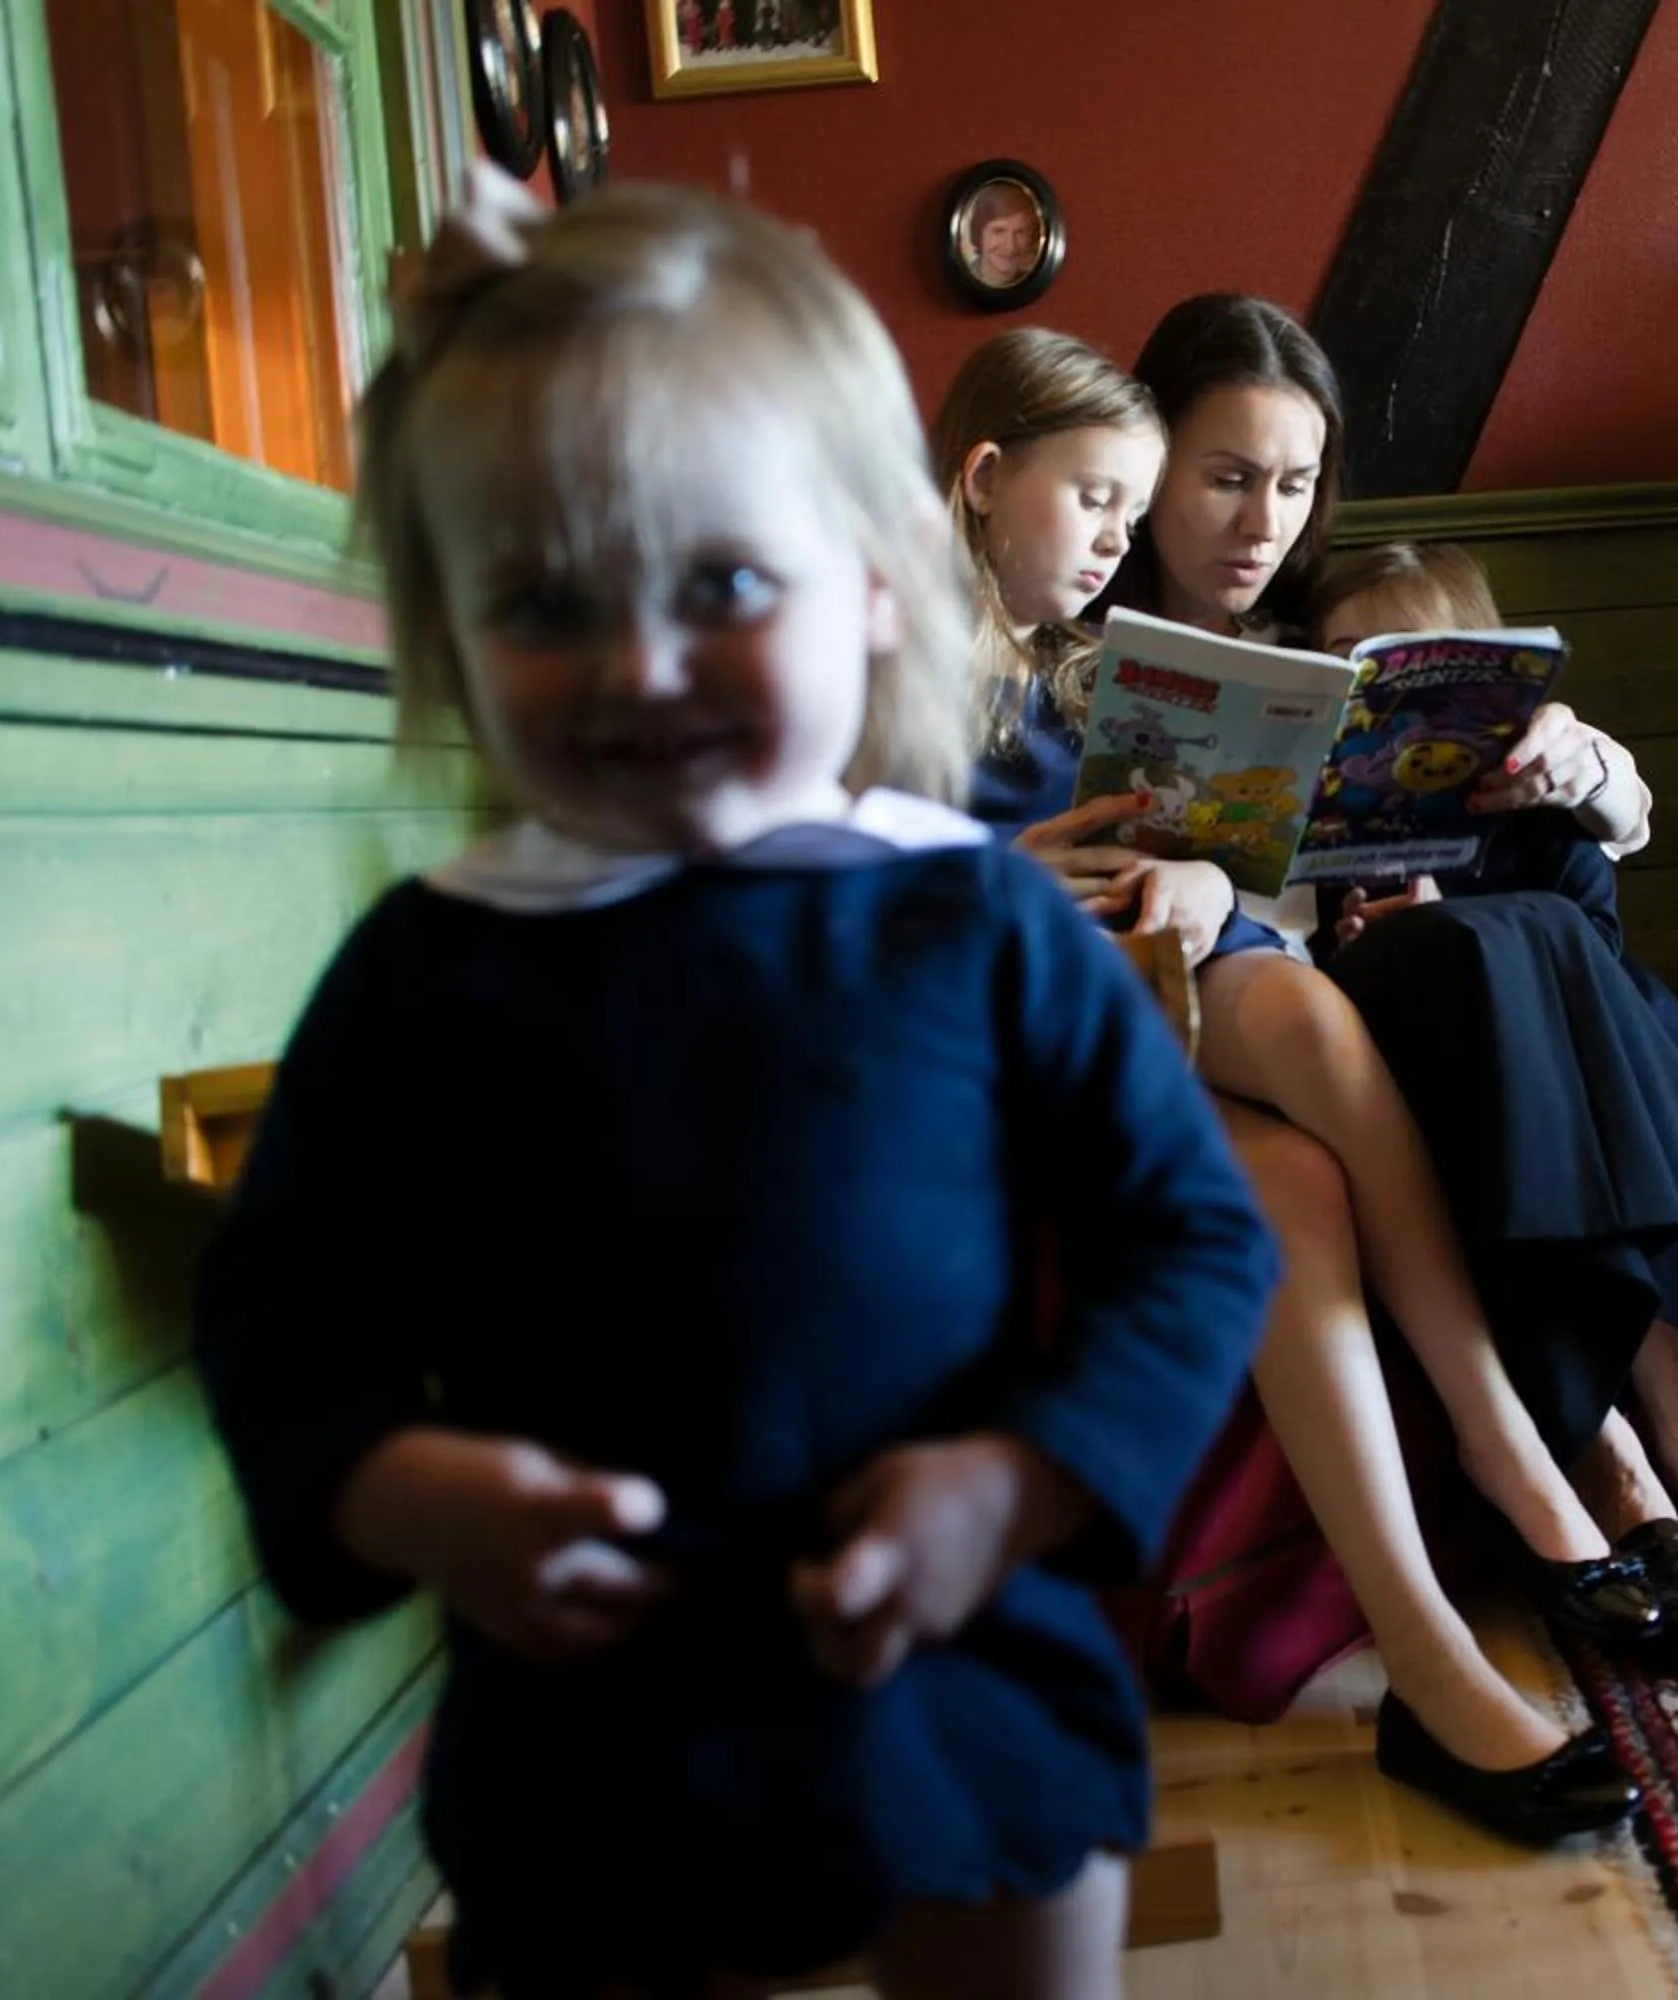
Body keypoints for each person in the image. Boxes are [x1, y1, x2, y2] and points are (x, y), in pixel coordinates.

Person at [192, 171, 1278, 1998]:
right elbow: (277, 1299)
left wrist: (1015, 1487)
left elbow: (1191, 1235)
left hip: (954, 1664)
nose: (640, 664)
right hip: (588, 1731)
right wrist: (400, 1488)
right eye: (544, 600)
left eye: (725, 585)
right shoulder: (430, 969)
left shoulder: (967, 923)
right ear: (451, 633)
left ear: (875, 583)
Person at [932, 326, 1647, 1844]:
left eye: (1131, 511)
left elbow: (1156, 836)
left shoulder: (1079, 668)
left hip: (1159, 965)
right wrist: (999, 881)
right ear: (984, 480)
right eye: (1100, 503)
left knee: (1309, 1105)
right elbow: (819, 884)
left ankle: (1466, 1538)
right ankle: (1464, 1568)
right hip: (1008, 1012)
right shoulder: (889, 661)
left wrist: (1204, 879)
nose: (1117, 540)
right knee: (1287, 1131)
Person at [1088, 296, 1678, 1665]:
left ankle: (1677, 1442)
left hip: (1441, 978)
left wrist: (1573, 755)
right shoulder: (1076, 651)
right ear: (1152, 463)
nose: (1263, 523)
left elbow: (1604, 823)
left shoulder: (1333, 637)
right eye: (1227, 479)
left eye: (1296, 485)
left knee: (1532, 932)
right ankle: (1607, 1456)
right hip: (1265, 1000)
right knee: (1487, 954)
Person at [1306, 543, 1678, 1635]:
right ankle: (1645, 1459)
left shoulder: (1544, 773)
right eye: (1351, 663)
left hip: (1627, 1062)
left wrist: (1581, 769)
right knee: (1506, 943)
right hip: (1485, 1081)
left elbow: (1623, 816)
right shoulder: (1332, 821)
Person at [963, 183, 1041, 287]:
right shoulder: (961, 278)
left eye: (1020, 232)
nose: (1010, 246)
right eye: (999, 231)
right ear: (979, 234)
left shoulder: (1037, 282)